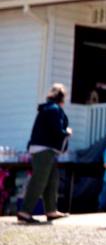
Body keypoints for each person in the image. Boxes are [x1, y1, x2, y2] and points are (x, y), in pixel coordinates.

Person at [18, 83, 72, 223]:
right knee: (39, 180)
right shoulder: (54, 109)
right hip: (44, 149)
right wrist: (67, 132)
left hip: (44, 149)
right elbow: (57, 130)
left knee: (52, 180)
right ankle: (25, 212)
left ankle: (51, 210)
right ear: (62, 98)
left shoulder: (47, 108)